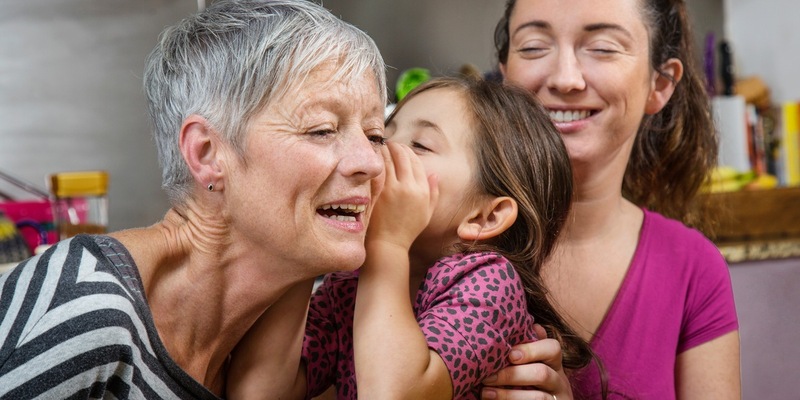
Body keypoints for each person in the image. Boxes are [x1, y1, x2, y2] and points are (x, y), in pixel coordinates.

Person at [0, 0, 388, 398]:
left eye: (376, 135)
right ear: (207, 154)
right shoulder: (87, 309)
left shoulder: (257, 352)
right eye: (321, 130)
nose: (371, 162)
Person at [227, 76, 596, 399]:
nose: (378, 153)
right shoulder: (348, 286)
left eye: (419, 146)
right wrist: (307, 246)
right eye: (380, 135)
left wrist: (387, 244)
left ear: (485, 216)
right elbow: (257, 391)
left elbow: (393, 395)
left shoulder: (488, 282)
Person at [482, 0, 741, 398]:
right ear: (504, 74)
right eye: (533, 46)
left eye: (602, 47)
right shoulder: (439, 241)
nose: (565, 79)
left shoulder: (694, 269)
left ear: (660, 84)